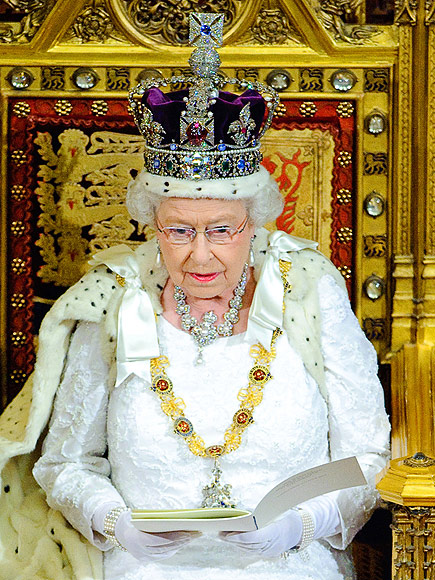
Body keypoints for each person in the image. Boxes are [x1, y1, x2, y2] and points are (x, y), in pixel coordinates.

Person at [0, 12, 389, 580]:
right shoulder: (113, 302)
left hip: (289, 564)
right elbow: (66, 462)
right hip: (142, 568)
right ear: (152, 225)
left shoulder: (309, 291)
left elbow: (366, 459)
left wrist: (301, 526)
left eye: (222, 230)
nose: (200, 255)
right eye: (179, 229)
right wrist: (115, 523)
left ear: (255, 224)